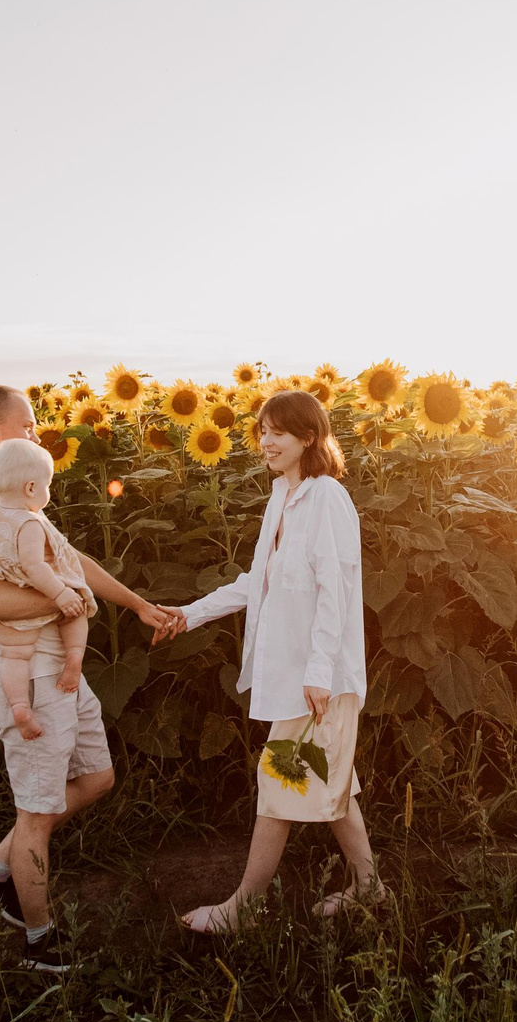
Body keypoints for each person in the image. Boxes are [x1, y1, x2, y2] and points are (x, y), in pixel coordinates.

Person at [0, 385, 182, 972]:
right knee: (36, 816)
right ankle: (41, 946)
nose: (37, 433)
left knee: (98, 778)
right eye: (28, 425)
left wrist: (134, 604)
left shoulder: (25, 503)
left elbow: (73, 562)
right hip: (26, 679)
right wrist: (63, 601)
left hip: (65, 676)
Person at [155, 388, 381, 932]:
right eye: (261, 430)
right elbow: (256, 582)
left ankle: (244, 909)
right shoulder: (283, 496)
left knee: (278, 778)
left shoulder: (327, 497)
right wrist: (190, 613)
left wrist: (320, 671)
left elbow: (336, 588)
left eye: (277, 431)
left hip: (317, 676)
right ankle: (371, 889)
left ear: (308, 436)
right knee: (332, 781)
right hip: (298, 673)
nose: (265, 441)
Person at [0, 436, 97, 727]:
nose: (47, 493)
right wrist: (60, 593)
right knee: (76, 611)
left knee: (15, 658)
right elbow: (34, 564)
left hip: (11, 600)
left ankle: (19, 706)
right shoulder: (30, 523)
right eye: (47, 486)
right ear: (31, 487)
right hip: (39, 590)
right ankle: (73, 658)